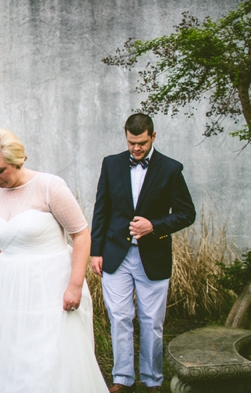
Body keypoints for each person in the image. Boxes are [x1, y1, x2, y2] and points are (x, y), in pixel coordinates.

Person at [0, 129, 108, 393]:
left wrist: (75, 285)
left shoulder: (49, 186)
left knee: (50, 357)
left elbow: (81, 234)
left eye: (0, 170)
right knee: (11, 353)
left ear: (18, 160)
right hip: (11, 288)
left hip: (51, 286)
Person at [90, 113, 196, 393]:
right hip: (116, 256)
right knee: (120, 317)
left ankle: (152, 380)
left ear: (153, 136)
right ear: (125, 136)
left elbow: (187, 213)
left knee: (152, 322)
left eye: (141, 143)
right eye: (131, 142)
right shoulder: (111, 164)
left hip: (153, 257)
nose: (136, 148)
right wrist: (95, 251)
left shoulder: (171, 169)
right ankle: (122, 378)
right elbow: (101, 210)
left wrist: (155, 226)